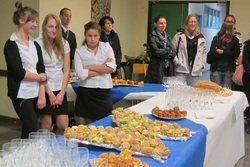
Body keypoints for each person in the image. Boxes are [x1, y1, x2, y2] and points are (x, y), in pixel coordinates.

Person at [4, 1, 48, 138]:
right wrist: (41, 78)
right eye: (32, 21)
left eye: (36, 21)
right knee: (34, 130)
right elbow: (19, 73)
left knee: (28, 132)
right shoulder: (11, 45)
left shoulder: (35, 44)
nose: (35, 25)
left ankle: (24, 158)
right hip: (21, 94)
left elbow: (41, 68)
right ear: (22, 21)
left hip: (36, 93)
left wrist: (42, 94)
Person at [74, 21, 117, 124]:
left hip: (103, 90)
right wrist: (103, 68)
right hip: (86, 91)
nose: (92, 39)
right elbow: (80, 73)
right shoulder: (79, 51)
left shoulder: (106, 47)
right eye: (89, 36)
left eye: (95, 36)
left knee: (106, 123)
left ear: (99, 36)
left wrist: (90, 67)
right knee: (89, 125)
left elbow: (112, 68)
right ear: (85, 36)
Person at [36, 14, 70, 135]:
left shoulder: (64, 43)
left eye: (56, 27)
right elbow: (38, 71)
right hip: (45, 88)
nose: (53, 30)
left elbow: (66, 70)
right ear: (44, 27)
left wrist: (61, 93)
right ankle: (45, 151)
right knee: (47, 124)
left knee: (63, 126)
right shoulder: (37, 44)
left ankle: (56, 150)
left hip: (60, 87)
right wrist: (49, 93)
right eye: (50, 26)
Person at [172, 14, 207, 86]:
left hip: (195, 69)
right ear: (187, 23)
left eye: (194, 22)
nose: (192, 24)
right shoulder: (179, 35)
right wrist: (176, 61)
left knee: (192, 92)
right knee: (180, 91)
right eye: (190, 22)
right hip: (181, 67)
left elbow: (204, 52)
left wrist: (202, 64)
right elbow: (172, 50)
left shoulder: (201, 37)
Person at [207, 22, 240, 88]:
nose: (235, 30)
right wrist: (229, 54)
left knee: (226, 92)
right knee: (216, 92)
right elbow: (213, 52)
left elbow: (236, 54)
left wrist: (223, 52)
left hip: (228, 71)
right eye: (233, 29)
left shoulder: (235, 40)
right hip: (216, 70)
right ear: (228, 29)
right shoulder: (216, 39)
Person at [145, 15, 175, 84]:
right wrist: (167, 50)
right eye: (161, 23)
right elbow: (157, 52)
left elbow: (173, 52)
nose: (163, 25)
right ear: (155, 24)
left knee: (167, 88)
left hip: (167, 67)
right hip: (156, 68)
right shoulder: (152, 37)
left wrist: (164, 52)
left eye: (165, 23)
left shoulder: (167, 36)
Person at [224, 14, 244, 90]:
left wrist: (239, 66)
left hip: (233, 65)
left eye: (231, 22)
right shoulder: (219, 34)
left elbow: (240, 51)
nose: (229, 23)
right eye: (227, 21)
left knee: (230, 89)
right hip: (221, 66)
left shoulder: (238, 34)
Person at [242, 37, 250, 133]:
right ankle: (248, 121)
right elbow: (245, 59)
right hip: (248, 76)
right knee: (249, 98)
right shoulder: (248, 43)